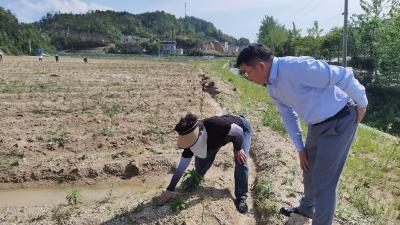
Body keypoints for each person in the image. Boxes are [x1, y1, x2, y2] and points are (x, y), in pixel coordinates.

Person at [236, 43, 368, 225]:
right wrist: (300, 148)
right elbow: (288, 115)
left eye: (248, 72)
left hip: (340, 119)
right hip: (316, 124)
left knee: (324, 183)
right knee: (308, 169)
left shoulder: (296, 68)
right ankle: (306, 209)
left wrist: (362, 101)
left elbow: (341, 75)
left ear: (260, 66)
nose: (248, 77)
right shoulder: (272, 86)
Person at [160, 112, 252, 213]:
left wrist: (238, 149)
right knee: (201, 164)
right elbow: (181, 167)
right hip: (218, 140)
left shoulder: (215, 124)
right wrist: (170, 189)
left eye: (193, 143)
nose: (191, 147)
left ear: (199, 132)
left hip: (240, 131)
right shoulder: (189, 144)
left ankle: (241, 197)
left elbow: (238, 132)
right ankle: (194, 182)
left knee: (241, 160)